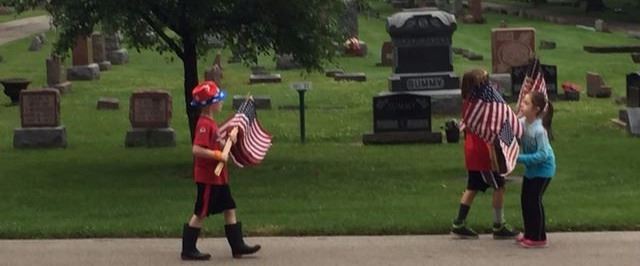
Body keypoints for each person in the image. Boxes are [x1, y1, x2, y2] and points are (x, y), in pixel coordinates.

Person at [181, 81, 261, 260]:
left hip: (220, 178)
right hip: (208, 178)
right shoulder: (204, 124)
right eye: (218, 100)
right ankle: (188, 249)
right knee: (201, 212)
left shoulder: (212, 123)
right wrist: (218, 154)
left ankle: (237, 246)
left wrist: (227, 141)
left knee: (229, 207)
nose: (221, 102)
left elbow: (216, 143)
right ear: (210, 104)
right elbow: (197, 149)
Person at [450, 69, 519, 239]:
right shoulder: (485, 105)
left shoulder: (469, 103)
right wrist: (511, 138)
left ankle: (459, 222)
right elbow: (495, 126)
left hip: (472, 150)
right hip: (485, 154)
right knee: (499, 186)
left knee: (473, 186)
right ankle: (498, 224)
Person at [516, 91, 556, 248]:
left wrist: (519, 158)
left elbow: (543, 155)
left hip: (544, 170)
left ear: (536, 109)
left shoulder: (539, 130)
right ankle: (529, 233)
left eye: (526, 103)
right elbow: (510, 132)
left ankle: (539, 237)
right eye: (523, 102)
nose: (522, 105)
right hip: (531, 170)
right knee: (525, 200)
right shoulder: (522, 122)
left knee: (534, 201)